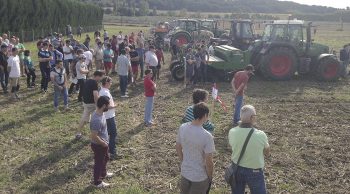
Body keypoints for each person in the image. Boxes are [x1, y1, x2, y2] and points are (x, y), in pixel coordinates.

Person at [228, 105, 270, 194]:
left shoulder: (232, 132)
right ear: (252, 118)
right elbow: (267, 152)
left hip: (237, 168)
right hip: (255, 171)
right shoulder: (261, 135)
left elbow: (232, 147)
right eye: (255, 116)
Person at [176, 102, 215, 194]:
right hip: (200, 178)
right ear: (205, 115)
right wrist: (210, 177)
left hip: (185, 173)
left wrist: (183, 161)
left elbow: (178, 147)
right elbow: (209, 162)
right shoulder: (207, 136)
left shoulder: (182, 127)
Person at [90, 96, 114, 188]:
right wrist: (103, 143)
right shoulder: (96, 119)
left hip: (103, 143)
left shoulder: (101, 113)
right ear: (104, 105)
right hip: (99, 145)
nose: (109, 106)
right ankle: (97, 182)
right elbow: (93, 136)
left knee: (106, 158)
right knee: (99, 163)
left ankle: (103, 173)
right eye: (108, 105)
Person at [76, 71, 104, 139]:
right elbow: (95, 95)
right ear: (97, 76)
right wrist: (98, 105)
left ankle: (78, 133)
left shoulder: (88, 80)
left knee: (84, 118)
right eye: (101, 77)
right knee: (96, 119)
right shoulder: (94, 83)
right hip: (92, 104)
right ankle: (96, 135)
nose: (101, 79)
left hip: (85, 103)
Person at [99, 76, 120, 160]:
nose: (111, 84)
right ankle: (112, 151)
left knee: (107, 133)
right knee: (113, 133)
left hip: (107, 116)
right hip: (109, 116)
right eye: (110, 82)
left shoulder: (102, 91)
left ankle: (106, 150)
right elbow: (106, 105)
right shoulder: (105, 93)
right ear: (107, 83)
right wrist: (115, 106)